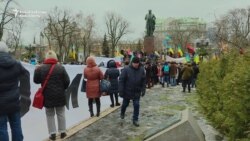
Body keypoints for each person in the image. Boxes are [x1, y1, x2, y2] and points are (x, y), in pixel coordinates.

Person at [34, 50, 70, 140]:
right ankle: (62, 132)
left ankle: (52, 134)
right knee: (61, 113)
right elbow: (67, 81)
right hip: (60, 95)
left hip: (47, 95)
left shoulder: (41, 68)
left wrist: (36, 70)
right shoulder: (61, 68)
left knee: (49, 114)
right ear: (55, 58)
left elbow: (36, 80)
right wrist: (62, 89)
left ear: (46, 58)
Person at [0, 41, 31, 141]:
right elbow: (26, 75)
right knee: (16, 127)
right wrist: (24, 94)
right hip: (14, 101)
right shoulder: (16, 64)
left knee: (1, 129)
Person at [119, 57, 146, 127]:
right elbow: (121, 80)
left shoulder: (142, 70)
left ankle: (135, 119)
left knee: (136, 105)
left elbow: (143, 81)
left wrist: (143, 89)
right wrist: (121, 90)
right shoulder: (126, 69)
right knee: (125, 104)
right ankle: (122, 112)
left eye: (137, 63)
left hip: (137, 91)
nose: (136, 65)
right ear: (132, 63)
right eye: (134, 63)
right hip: (127, 91)